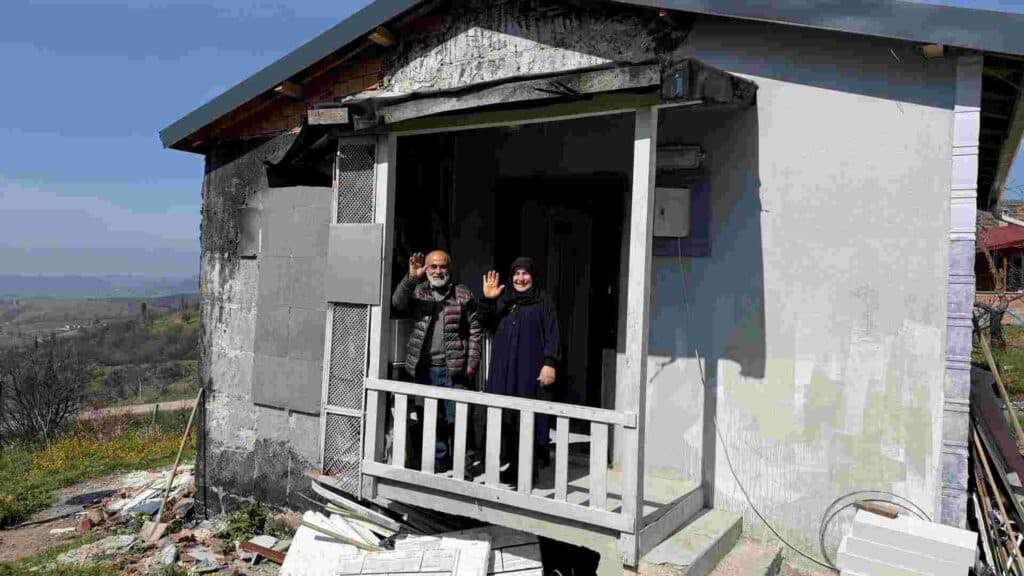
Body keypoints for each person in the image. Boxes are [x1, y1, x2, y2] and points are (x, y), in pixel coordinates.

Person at [391, 250, 481, 473]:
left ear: (449, 269)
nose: (438, 271)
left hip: (454, 371)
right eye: (433, 266)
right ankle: (439, 462)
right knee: (429, 419)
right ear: (427, 269)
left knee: (458, 419)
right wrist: (411, 277)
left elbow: (475, 331)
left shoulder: (463, 295)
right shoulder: (419, 292)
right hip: (425, 370)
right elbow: (398, 304)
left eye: (443, 267)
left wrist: (471, 365)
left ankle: (463, 466)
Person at [479, 256, 560, 483]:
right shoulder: (504, 298)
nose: (520, 278)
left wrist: (550, 363)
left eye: (525, 273)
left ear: (533, 276)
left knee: (529, 418)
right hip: (503, 369)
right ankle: (511, 467)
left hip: (529, 370)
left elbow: (553, 333)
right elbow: (484, 322)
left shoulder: (544, 300)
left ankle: (527, 471)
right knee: (505, 418)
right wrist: (487, 299)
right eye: (517, 273)